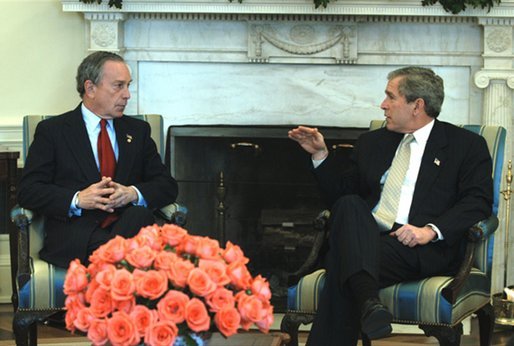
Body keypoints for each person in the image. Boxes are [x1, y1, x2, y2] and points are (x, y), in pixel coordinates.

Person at [288, 66, 493, 345]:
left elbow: (477, 202)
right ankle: (369, 302)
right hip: (367, 234)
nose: (382, 105)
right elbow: (341, 197)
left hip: (418, 246)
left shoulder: (466, 146)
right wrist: (321, 155)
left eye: (391, 97)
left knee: (342, 262)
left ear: (416, 105)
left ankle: (367, 300)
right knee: (349, 204)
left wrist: (429, 231)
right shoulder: (372, 142)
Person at [17, 51, 178, 269]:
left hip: (127, 224)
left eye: (128, 85)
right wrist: (77, 199)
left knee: (138, 215)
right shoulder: (53, 131)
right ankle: (118, 269)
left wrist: (132, 193)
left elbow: (167, 186)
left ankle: (109, 266)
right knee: (131, 251)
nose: (127, 95)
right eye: (118, 86)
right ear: (90, 88)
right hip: (77, 233)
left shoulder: (138, 131)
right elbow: (28, 190)